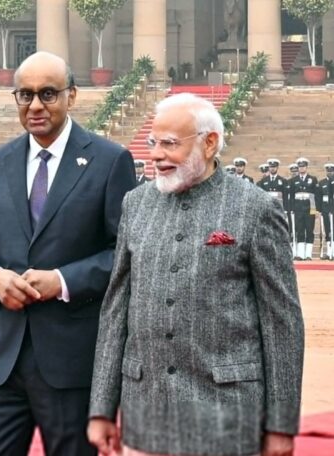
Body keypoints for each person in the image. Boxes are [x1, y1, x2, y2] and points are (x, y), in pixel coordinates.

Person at [87, 93, 304, 456]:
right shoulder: (135, 204)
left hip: (228, 420)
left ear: (210, 143)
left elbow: (282, 324)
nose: (156, 155)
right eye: (153, 143)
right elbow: (114, 313)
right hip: (147, 417)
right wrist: (101, 409)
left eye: (170, 144)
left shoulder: (256, 208)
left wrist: (281, 425)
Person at [0, 51, 136, 456]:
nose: (35, 105)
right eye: (25, 95)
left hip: (71, 363)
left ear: (71, 96)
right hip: (2, 362)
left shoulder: (109, 162)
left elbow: (124, 255)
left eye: (48, 94)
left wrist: (62, 281)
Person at [291, 157, 318, 260]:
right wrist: (293, 209)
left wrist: (315, 210)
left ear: (306, 167)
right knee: (300, 230)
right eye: (300, 167)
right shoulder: (294, 180)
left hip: (309, 208)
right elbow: (292, 196)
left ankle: (308, 254)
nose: (301, 168)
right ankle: (301, 254)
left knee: (309, 230)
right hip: (298, 208)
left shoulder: (313, 179)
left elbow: (315, 196)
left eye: (303, 166)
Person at [318, 163, 333, 260]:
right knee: (327, 230)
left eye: (331, 171)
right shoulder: (321, 183)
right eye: (328, 171)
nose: (330, 172)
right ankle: (329, 252)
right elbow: (318, 197)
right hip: (325, 209)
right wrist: (319, 210)